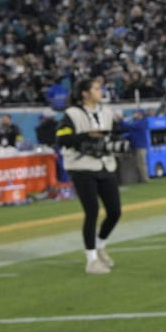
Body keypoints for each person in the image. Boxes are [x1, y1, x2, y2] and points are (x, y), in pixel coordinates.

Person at [56, 75, 123, 273]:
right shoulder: (71, 113)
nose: (100, 92)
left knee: (115, 211)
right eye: (95, 89)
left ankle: (100, 245)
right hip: (81, 166)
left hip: (105, 164)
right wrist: (86, 137)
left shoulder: (107, 112)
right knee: (92, 211)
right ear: (85, 94)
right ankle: (91, 259)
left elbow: (116, 133)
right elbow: (61, 138)